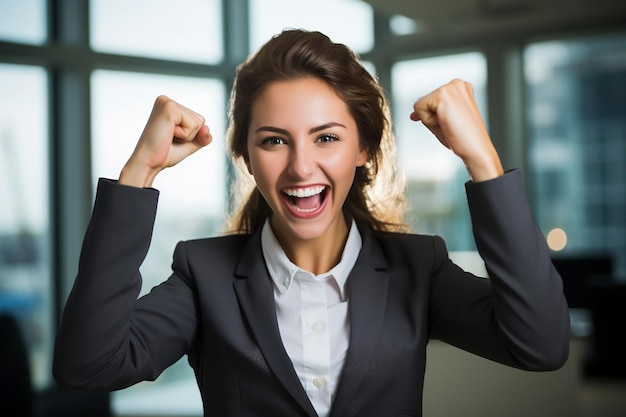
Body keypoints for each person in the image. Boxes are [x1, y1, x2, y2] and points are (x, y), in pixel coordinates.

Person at [53, 29, 570, 417]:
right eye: (275, 140)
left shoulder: (419, 267)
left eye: (326, 138)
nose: (302, 167)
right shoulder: (203, 274)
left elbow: (540, 346)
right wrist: (139, 172)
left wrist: (483, 161)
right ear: (248, 157)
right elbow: (88, 364)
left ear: (364, 149)